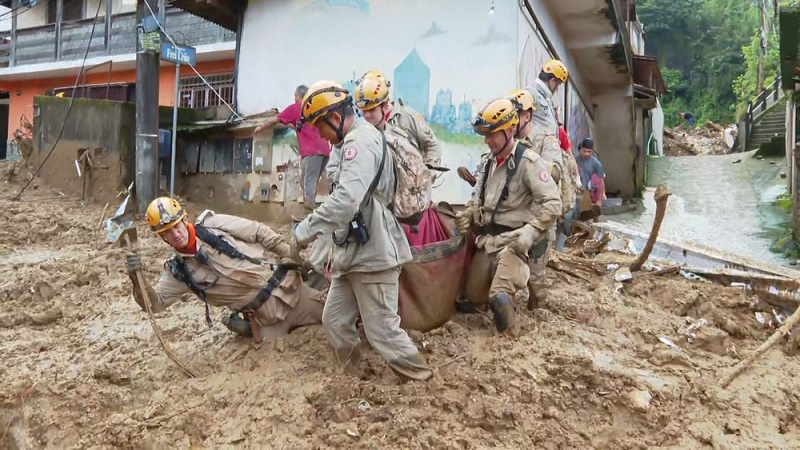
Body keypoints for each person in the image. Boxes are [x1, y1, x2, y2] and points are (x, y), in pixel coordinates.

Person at [290, 80, 433, 381]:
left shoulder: (361, 142)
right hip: (352, 252)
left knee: (382, 330)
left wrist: (305, 230)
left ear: (336, 117)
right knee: (335, 321)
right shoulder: (348, 143)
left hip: (375, 252)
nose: (319, 134)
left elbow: (346, 201)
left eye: (320, 126)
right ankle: (353, 377)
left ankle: (420, 379)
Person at [123, 197, 324, 342]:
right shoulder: (178, 272)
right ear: (162, 237)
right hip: (265, 317)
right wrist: (137, 280)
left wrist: (293, 256)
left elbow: (258, 232)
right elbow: (155, 304)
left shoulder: (213, 225)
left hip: (288, 290)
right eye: (167, 232)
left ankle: (315, 283)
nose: (175, 234)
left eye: (176, 226)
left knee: (332, 317)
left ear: (185, 220)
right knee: (271, 350)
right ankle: (246, 328)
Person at [455, 97, 561, 336]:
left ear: (510, 130)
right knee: (471, 296)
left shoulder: (529, 162)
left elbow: (554, 203)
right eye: (485, 134)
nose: (487, 140)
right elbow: (477, 196)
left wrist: (531, 231)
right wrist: (469, 213)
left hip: (514, 243)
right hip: (488, 242)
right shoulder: (488, 162)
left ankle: (510, 337)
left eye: (493, 134)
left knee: (499, 298)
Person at [255, 85, 332, 212]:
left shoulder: (297, 107)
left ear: (298, 96)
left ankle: (310, 213)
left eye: (294, 96)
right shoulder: (315, 107)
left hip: (311, 152)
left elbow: (274, 120)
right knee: (306, 182)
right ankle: (314, 209)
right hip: (324, 151)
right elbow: (300, 128)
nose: (294, 98)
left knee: (308, 182)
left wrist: (260, 128)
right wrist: (287, 123)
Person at [356, 70, 442, 168]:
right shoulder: (363, 125)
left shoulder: (408, 117)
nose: (366, 115)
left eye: (372, 109)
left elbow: (433, 146)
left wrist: (427, 173)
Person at [576, 138, 606, 207]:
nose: (586, 153)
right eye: (584, 151)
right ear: (581, 149)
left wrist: (600, 200)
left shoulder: (596, 164)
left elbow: (601, 181)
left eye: (589, 152)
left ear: (592, 151)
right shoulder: (575, 161)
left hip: (592, 194)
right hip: (579, 194)